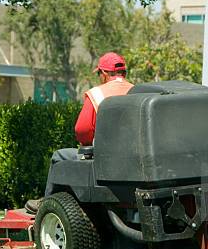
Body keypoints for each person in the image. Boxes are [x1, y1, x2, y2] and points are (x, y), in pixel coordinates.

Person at [25, 52, 134, 213]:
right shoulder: (138, 91)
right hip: (133, 163)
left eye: (99, 73)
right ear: (123, 73)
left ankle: (47, 205)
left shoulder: (97, 94)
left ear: (103, 73)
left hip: (104, 163)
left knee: (59, 156)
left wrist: (88, 143)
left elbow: (82, 131)